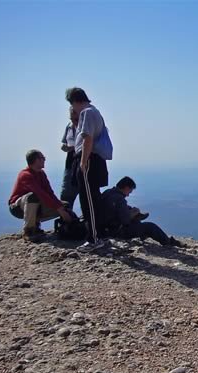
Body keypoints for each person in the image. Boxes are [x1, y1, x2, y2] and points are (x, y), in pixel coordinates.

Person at [65, 87, 113, 253]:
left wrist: (83, 162)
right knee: (94, 198)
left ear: (74, 101)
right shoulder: (95, 112)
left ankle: (93, 238)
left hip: (89, 160)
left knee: (88, 200)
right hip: (95, 160)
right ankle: (99, 235)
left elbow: (87, 139)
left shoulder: (87, 112)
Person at [8, 149, 72, 242]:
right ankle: (29, 231)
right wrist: (58, 209)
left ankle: (63, 228)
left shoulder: (41, 173)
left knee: (65, 205)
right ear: (36, 160)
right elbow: (40, 193)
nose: (44, 160)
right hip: (17, 207)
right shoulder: (25, 175)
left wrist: (61, 207)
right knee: (33, 197)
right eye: (42, 158)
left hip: (36, 204)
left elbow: (49, 193)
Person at [102, 176, 185, 247]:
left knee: (132, 213)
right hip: (116, 231)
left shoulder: (108, 192)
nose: (128, 195)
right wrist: (133, 213)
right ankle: (168, 242)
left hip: (105, 228)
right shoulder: (119, 199)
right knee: (150, 226)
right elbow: (125, 220)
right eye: (129, 191)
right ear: (126, 188)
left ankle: (139, 224)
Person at [60, 106, 79, 206]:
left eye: (75, 119)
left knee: (86, 197)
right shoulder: (69, 126)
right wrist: (68, 147)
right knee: (65, 197)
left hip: (83, 165)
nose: (74, 121)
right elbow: (63, 144)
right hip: (70, 164)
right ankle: (66, 219)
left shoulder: (88, 125)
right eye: (71, 119)